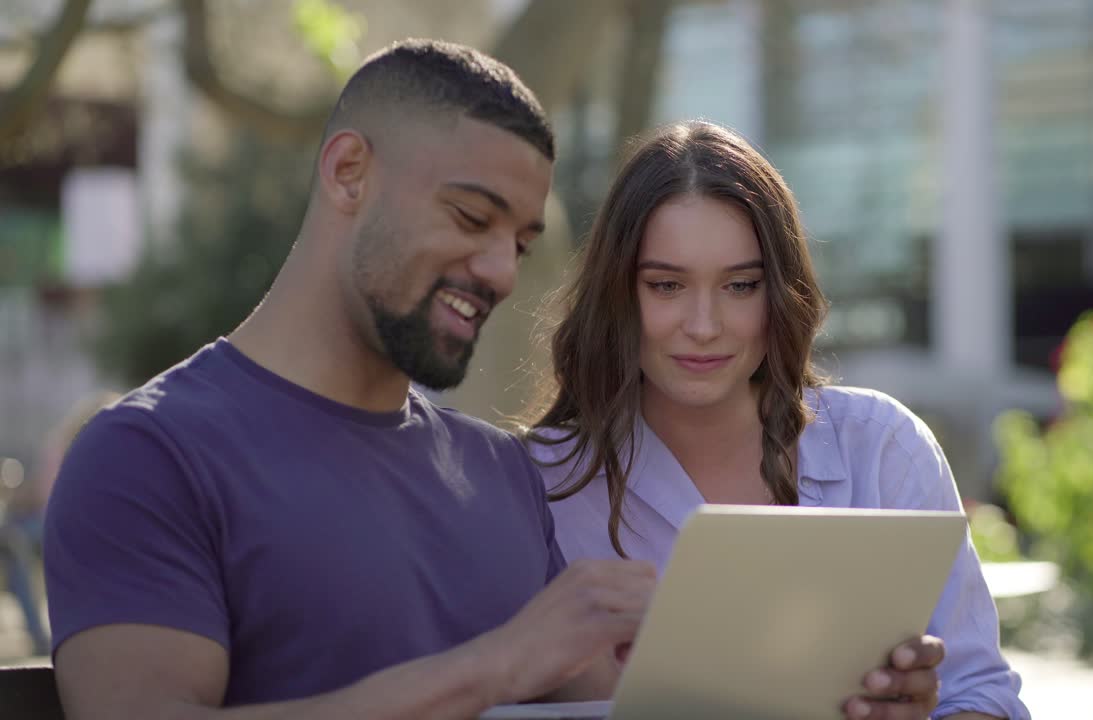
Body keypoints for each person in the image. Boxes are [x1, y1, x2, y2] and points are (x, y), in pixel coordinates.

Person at [43, 39, 658, 720]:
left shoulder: (500, 469)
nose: (501, 272)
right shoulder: (146, 455)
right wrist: (492, 668)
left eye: (518, 243)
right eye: (472, 218)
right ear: (348, 172)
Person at [524, 121, 1031, 720]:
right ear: (617, 294)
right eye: (666, 285)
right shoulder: (539, 484)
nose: (705, 324)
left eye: (741, 286)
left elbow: (982, 695)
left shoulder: (881, 448)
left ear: (780, 293)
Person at [0, 390, 120, 656]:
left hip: (55, 524)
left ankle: (45, 632)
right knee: (16, 545)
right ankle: (42, 633)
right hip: (53, 523)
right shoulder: (73, 448)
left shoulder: (76, 446)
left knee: (16, 546)